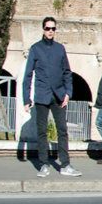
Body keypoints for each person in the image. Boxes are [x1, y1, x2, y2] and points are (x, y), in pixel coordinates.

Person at [22, 16, 81, 177]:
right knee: (42, 132)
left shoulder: (60, 48)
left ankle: (66, 165)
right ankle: (43, 164)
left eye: (53, 29)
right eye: (47, 28)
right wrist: (26, 99)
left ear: (55, 30)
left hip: (59, 96)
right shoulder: (35, 48)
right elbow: (28, 75)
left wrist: (68, 93)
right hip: (42, 95)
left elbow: (67, 72)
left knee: (62, 130)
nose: (50, 31)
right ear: (43, 29)